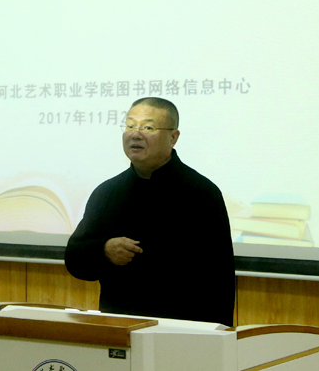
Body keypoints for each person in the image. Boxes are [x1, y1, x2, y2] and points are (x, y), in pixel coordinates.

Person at [64, 97, 235, 325]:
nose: (135, 134)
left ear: (173, 137)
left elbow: (220, 277)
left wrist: (214, 336)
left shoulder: (201, 193)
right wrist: (104, 250)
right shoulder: (107, 192)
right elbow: (75, 258)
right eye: (130, 126)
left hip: (181, 328)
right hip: (119, 326)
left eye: (148, 128)